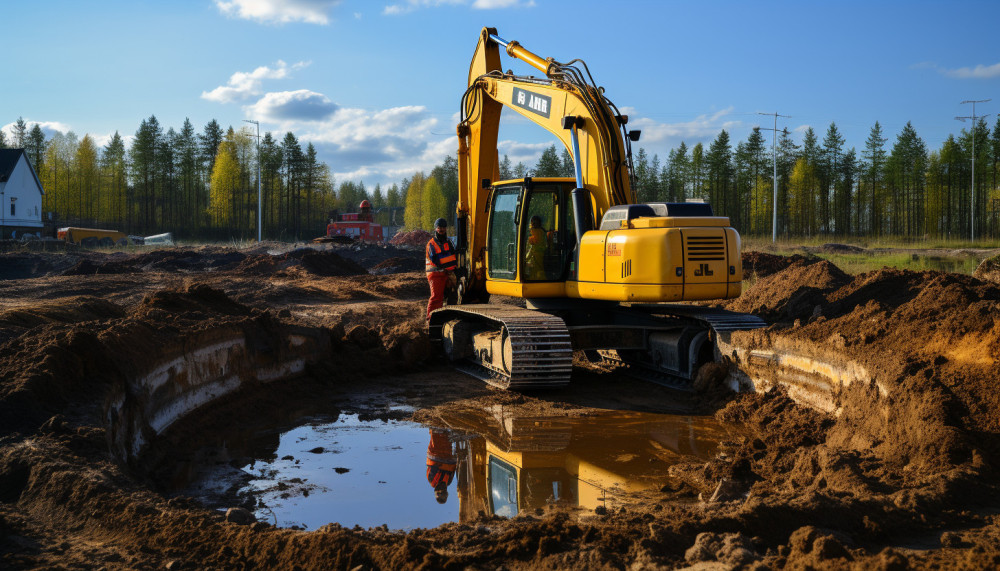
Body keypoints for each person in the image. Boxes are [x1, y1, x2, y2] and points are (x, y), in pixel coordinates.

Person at [425, 218, 457, 322]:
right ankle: (430, 319)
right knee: (436, 297)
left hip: (446, 272)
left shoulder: (448, 242)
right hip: (435, 273)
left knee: (450, 295)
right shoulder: (431, 244)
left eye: (443, 227)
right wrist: (448, 268)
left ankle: (441, 317)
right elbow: (435, 260)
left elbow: (453, 255)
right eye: (439, 228)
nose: (441, 229)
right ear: (436, 229)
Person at [426, 428, 457, 504]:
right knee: (446, 436)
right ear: (446, 492)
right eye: (442, 492)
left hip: (436, 454)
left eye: (438, 493)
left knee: (436, 433)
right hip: (447, 456)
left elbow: (433, 465)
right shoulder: (448, 481)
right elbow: (454, 469)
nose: (441, 490)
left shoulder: (432, 480)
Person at [525, 215, 548, 280]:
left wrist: (525, 259)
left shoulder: (537, 232)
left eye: (534, 223)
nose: (533, 224)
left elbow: (532, 249)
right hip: (535, 261)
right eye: (532, 223)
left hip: (536, 261)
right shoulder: (541, 232)